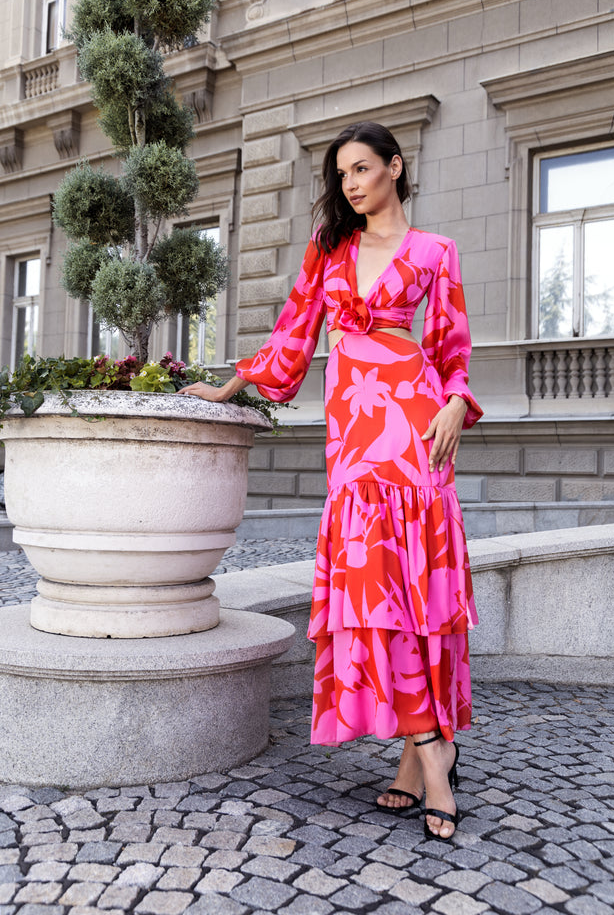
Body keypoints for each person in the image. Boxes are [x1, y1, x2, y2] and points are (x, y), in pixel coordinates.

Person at [178, 122, 482, 841]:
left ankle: (425, 761)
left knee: (415, 594)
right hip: (354, 434)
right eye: (342, 173)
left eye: (362, 168)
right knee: (375, 588)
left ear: (394, 167)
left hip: (413, 425)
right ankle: (433, 747)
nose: (350, 183)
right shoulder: (330, 248)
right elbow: (293, 333)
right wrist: (231, 386)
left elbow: (451, 352)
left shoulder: (435, 252)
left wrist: (455, 405)